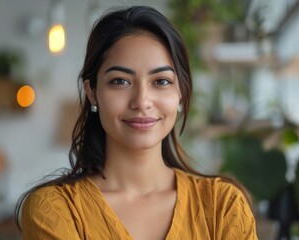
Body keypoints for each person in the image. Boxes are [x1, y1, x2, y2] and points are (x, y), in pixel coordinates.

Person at [16, 5, 257, 240]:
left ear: (180, 92)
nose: (142, 101)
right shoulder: (56, 209)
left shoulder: (223, 206)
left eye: (161, 81)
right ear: (92, 92)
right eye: (120, 81)